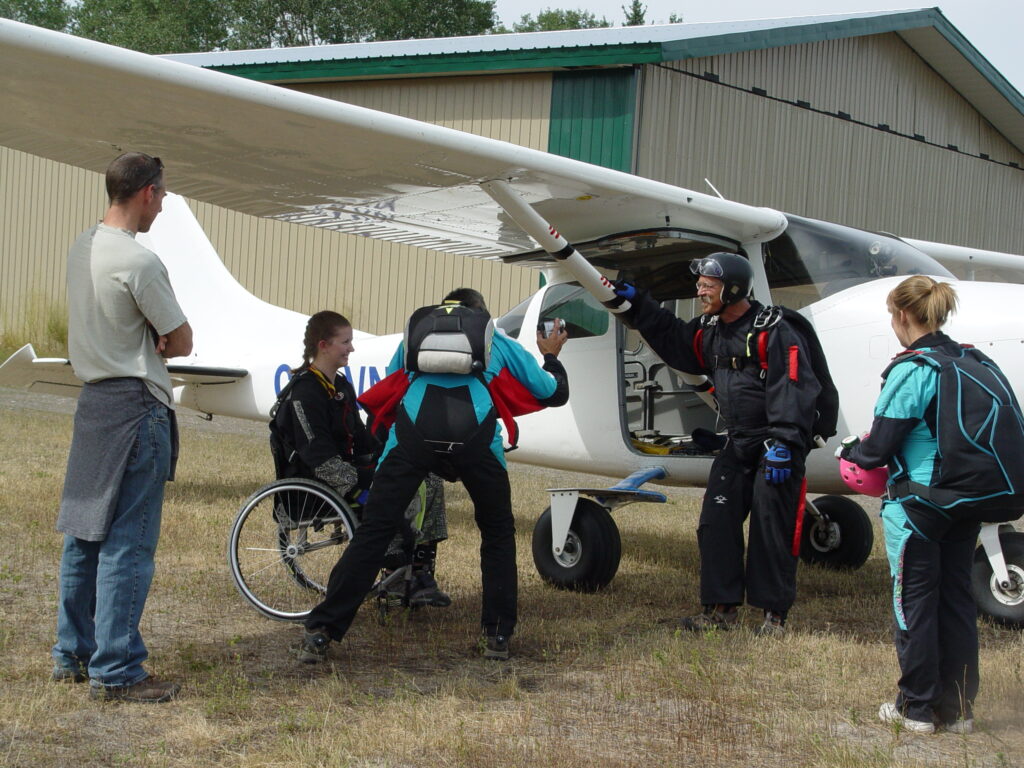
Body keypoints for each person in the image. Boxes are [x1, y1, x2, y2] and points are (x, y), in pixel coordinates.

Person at [298, 288, 569, 662]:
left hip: (413, 434)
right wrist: (551, 356)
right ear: (481, 319)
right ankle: (497, 636)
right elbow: (552, 392)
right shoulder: (497, 339)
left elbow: (396, 380)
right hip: (476, 437)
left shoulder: (418, 333)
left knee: (375, 530)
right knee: (497, 533)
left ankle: (322, 631)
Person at [614, 253, 823, 635]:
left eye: (709, 285)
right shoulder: (708, 328)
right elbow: (675, 340)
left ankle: (773, 616)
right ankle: (720, 612)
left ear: (734, 289)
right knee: (716, 522)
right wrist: (639, 304)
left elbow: (794, 387)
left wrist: (786, 442)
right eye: (701, 284)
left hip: (776, 445)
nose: (700, 290)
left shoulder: (773, 330)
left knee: (771, 527)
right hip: (738, 443)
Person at [52, 152, 192, 703]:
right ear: (148, 194)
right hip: (136, 403)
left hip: (94, 402)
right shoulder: (139, 262)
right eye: (164, 194)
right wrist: (159, 338)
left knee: (84, 536)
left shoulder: (82, 246)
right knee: (128, 544)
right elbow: (181, 341)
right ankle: (117, 671)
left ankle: (73, 654)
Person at [840, 276, 977, 734]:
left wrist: (849, 453)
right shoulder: (969, 360)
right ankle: (957, 711)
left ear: (901, 315)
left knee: (913, 603)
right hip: (966, 501)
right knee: (956, 602)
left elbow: (878, 449)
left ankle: (914, 709)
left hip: (919, 506)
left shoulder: (913, 368)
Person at [271, 310, 450, 607]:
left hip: (351, 471)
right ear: (323, 345)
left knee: (427, 477)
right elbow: (317, 455)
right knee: (389, 490)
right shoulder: (304, 392)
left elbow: (361, 436)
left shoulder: (340, 386)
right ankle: (395, 569)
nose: (351, 348)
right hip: (322, 482)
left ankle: (420, 572)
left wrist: (396, 458)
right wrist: (360, 483)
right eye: (346, 342)